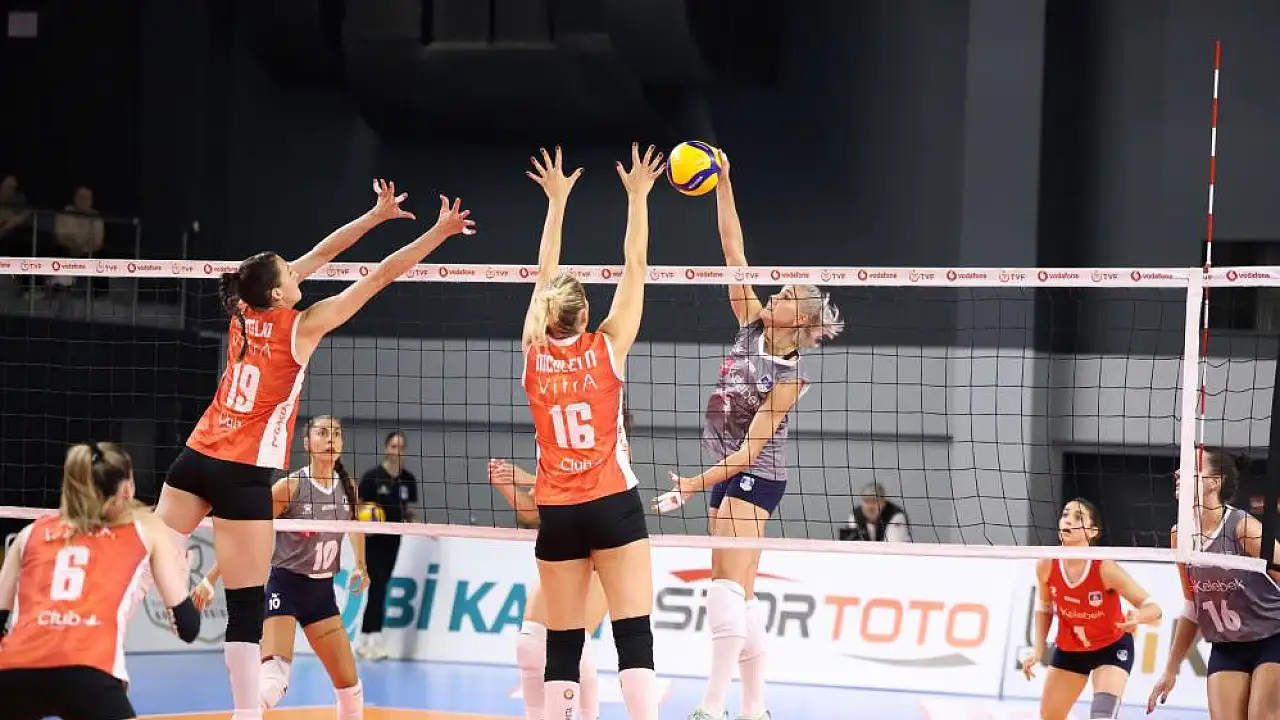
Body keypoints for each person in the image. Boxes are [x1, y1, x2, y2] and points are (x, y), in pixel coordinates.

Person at [149, 181, 474, 720]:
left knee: (152, 551)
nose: (298, 271)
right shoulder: (303, 327)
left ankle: (146, 604)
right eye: (289, 271)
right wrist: (438, 233)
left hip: (195, 457)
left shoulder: (244, 306)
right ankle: (245, 714)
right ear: (279, 292)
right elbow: (379, 276)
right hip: (242, 475)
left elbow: (323, 252)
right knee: (246, 608)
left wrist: (375, 216)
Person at [653, 150, 843, 720]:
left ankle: (713, 705)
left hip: (753, 475)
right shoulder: (749, 325)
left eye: (785, 296)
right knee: (744, 590)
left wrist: (693, 484)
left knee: (722, 585)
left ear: (801, 321)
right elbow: (732, 250)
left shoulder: (789, 379)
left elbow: (752, 451)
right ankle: (756, 707)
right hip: (727, 470)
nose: (774, 295)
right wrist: (724, 183)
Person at [521, 144, 664, 720]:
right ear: (585, 316)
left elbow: (543, 275)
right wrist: (638, 196)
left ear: (546, 315)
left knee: (562, 643)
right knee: (633, 634)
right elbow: (636, 265)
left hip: (558, 509)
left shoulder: (533, 353)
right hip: (612, 503)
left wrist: (556, 202)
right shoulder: (607, 347)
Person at [0, 442, 200, 720]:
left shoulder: (30, 533)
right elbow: (188, 628)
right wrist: (181, 578)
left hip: (15, 671)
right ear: (127, 489)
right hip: (89, 673)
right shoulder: (145, 532)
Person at [193, 415, 369, 717]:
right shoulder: (290, 487)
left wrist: (361, 566)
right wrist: (211, 578)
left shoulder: (347, 487)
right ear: (307, 444)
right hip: (285, 588)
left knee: (351, 690)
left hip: (322, 594)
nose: (330, 439)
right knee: (273, 680)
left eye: (336, 434)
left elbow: (355, 525)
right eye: (322, 433)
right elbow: (248, 535)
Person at [1147, 448, 1280, 719]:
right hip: (1226, 646)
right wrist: (1170, 670)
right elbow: (1192, 605)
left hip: (1272, 638)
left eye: (1191, 469)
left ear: (1214, 482)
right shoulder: (1180, 536)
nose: (1178, 473)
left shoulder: (1243, 528)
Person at [488, 458, 609, 720]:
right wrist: (507, 485)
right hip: (551, 636)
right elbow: (535, 510)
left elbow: (582, 498)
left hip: (536, 635)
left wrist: (528, 479)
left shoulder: (603, 480)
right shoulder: (568, 462)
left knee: (560, 653)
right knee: (567, 650)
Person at [1020, 499, 1162, 720]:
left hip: (1111, 648)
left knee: (1102, 716)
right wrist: (1038, 650)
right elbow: (1045, 607)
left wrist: (1138, 617)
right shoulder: (1046, 564)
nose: (1068, 520)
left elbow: (1154, 608)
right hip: (1070, 650)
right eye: (1065, 515)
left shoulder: (1104, 567)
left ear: (1092, 531)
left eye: (1078, 517)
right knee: (1050, 717)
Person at [357, 430, 418, 659]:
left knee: (381, 586)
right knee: (378, 586)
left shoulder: (408, 479)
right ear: (386, 448)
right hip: (373, 540)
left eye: (401, 447)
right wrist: (364, 526)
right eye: (393, 446)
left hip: (394, 539)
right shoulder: (372, 477)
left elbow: (407, 511)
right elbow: (358, 507)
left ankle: (369, 639)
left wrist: (422, 527)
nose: (397, 451)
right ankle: (369, 640)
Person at [839, 481, 911, 542]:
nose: (870, 506)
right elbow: (853, 544)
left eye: (874, 501)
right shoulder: (855, 515)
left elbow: (893, 546)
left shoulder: (896, 516)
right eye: (866, 501)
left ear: (883, 502)